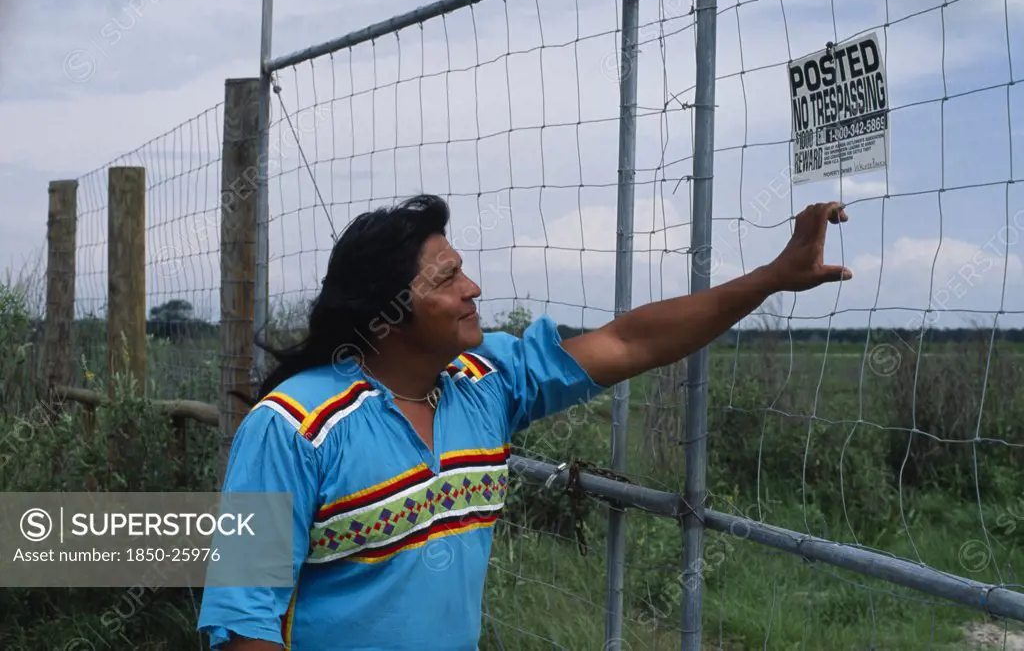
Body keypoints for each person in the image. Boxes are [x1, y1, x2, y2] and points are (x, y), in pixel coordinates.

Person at [196, 194, 851, 650]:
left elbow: (629, 343)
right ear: (387, 311)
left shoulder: (489, 385)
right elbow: (243, 623)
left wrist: (770, 277)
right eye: (448, 277)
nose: (473, 288)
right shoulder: (291, 427)